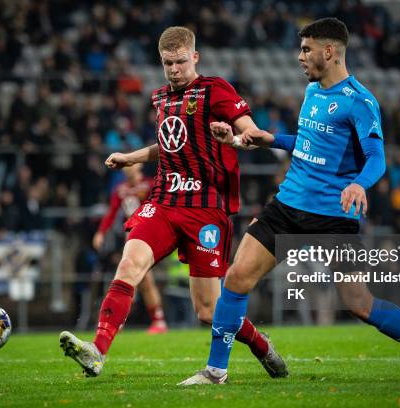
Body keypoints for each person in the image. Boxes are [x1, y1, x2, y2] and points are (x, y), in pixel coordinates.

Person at [180, 18, 400, 385]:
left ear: (329, 51)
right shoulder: (312, 92)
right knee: (237, 277)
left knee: (359, 304)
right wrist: (267, 138)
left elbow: (377, 157)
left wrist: (359, 185)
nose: (300, 57)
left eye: (306, 50)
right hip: (287, 205)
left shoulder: (360, 101)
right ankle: (215, 370)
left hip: (333, 218)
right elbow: (307, 142)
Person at [59, 26, 287, 378]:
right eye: (168, 63)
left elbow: (252, 133)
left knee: (209, 312)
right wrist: (131, 157)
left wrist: (232, 139)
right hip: (164, 201)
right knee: (128, 265)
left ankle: (260, 343)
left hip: (206, 209)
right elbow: (169, 144)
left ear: (195, 57)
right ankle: (97, 350)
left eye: (181, 61)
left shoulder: (215, 90)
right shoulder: (160, 98)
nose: (175, 69)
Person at [92, 163, 168, 334]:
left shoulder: (149, 185)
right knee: (135, 280)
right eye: (125, 165)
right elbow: (111, 212)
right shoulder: (121, 189)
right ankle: (153, 319)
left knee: (140, 279)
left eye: (130, 164)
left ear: (139, 166)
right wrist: (100, 232)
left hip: (148, 235)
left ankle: (153, 320)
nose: (127, 168)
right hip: (131, 237)